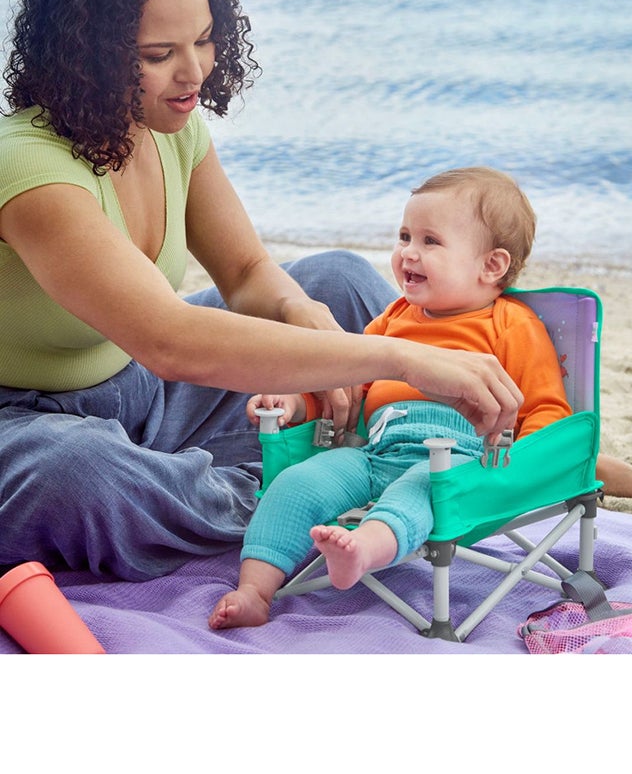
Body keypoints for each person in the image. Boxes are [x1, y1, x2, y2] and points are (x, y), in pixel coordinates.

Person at [0, 0, 524, 582]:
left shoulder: (170, 126)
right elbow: (168, 340)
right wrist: (401, 355)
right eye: (158, 54)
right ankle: (289, 500)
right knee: (80, 472)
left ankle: (375, 454)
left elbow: (248, 272)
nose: (194, 72)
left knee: (337, 280)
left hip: (147, 397)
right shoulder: (26, 168)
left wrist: (299, 310)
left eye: (202, 40)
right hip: (26, 425)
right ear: (86, 57)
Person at [208, 166, 577, 629]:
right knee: (297, 482)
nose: (408, 253)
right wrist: (297, 404)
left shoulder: (511, 325)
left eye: (430, 241)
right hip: (373, 452)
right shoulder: (392, 320)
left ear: (492, 265)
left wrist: (514, 466)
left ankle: (362, 550)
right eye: (404, 236)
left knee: (419, 491)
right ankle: (253, 591)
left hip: (455, 463)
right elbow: (345, 393)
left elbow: (547, 410)